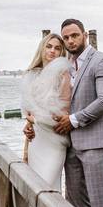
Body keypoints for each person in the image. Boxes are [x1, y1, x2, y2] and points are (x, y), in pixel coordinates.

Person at [25, 19, 103, 207]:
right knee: (76, 203)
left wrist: (74, 120)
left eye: (74, 36)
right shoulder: (68, 64)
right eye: (66, 37)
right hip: (71, 144)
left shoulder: (101, 61)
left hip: (95, 142)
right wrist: (32, 123)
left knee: (99, 203)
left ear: (84, 35)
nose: (70, 41)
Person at [20, 33, 71, 190]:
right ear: (42, 49)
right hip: (36, 140)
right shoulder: (31, 75)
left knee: (48, 187)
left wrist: (33, 120)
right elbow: (28, 111)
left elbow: (62, 111)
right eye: (48, 46)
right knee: (34, 189)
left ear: (62, 53)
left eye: (57, 48)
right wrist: (28, 124)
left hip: (55, 139)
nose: (52, 51)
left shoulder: (64, 74)